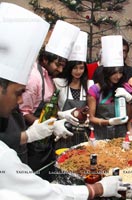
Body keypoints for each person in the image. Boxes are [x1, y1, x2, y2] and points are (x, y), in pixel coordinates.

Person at [0, 3, 124, 199]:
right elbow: (39, 192)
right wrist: (96, 189)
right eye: (17, 93)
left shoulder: (49, 77)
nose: (20, 98)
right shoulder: (4, 156)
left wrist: (60, 116)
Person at [19, 20, 78, 180]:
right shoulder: (34, 78)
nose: (60, 70)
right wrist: (49, 126)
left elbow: (46, 106)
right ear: (45, 59)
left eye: (63, 65)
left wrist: (61, 115)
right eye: (57, 65)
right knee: (34, 180)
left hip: (45, 140)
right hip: (32, 142)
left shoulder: (48, 75)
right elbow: (24, 112)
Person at [88, 35, 132, 139]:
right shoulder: (94, 90)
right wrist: (108, 122)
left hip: (121, 134)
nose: (118, 76)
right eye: (114, 73)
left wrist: (130, 100)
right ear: (107, 72)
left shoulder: (125, 88)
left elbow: (129, 117)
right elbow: (91, 118)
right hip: (101, 134)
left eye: (120, 72)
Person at [53, 31, 89, 149]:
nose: (78, 71)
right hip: (63, 131)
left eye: (81, 68)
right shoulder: (58, 83)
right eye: (75, 68)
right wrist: (61, 115)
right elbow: (53, 109)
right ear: (69, 68)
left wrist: (88, 116)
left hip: (83, 134)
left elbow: (92, 109)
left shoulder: (89, 85)